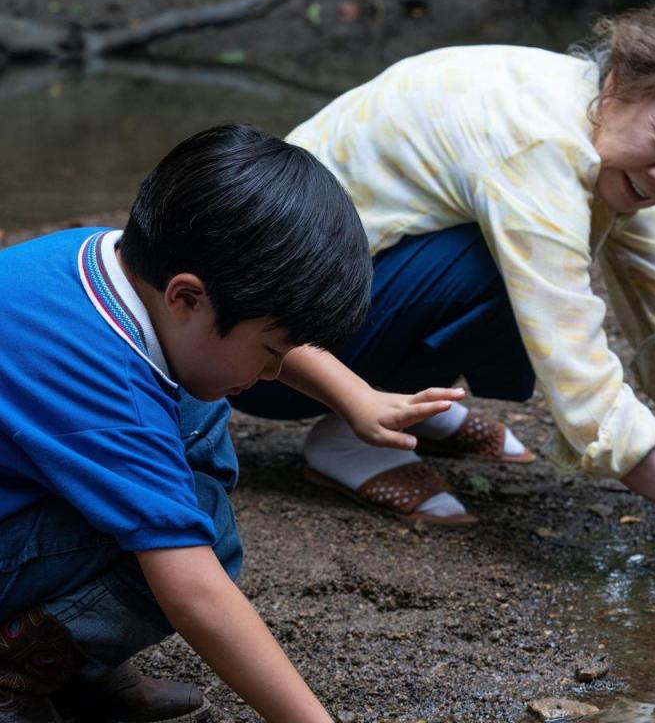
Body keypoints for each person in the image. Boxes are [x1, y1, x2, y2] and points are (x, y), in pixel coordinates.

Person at [232, 0, 655, 585]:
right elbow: (587, 394)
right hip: (263, 356)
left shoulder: (597, 128)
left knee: (525, 254)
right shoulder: (543, 150)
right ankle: (353, 433)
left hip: (330, 302)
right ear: (619, 82)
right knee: (503, 268)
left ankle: (408, 394)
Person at [0, 124, 461, 722]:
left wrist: (356, 396)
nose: (273, 370)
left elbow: (254, 322)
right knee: (204, 530)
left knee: (194, 411)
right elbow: (196, 593)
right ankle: (18, 671)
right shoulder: (109, 391)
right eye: (270, 351)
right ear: (187, 298)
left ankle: (68, 657)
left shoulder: (110, 259)